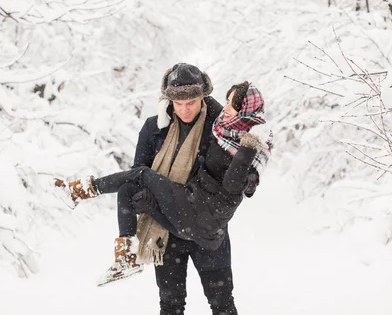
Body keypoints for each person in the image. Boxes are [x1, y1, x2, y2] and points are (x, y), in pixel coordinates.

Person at [57, 64, 271, 315]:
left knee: (222, 303)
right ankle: (124, 253)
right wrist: (145, 202)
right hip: (166, 233)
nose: (184, 109)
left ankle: (85, 189)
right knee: (170, 306)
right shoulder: (155, 128)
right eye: (177, 103)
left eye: (191, 101)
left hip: (207, 230)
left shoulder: (220, 122)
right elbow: (138, 172)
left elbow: (248, 152)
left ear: (203, 95)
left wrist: (249, 178)